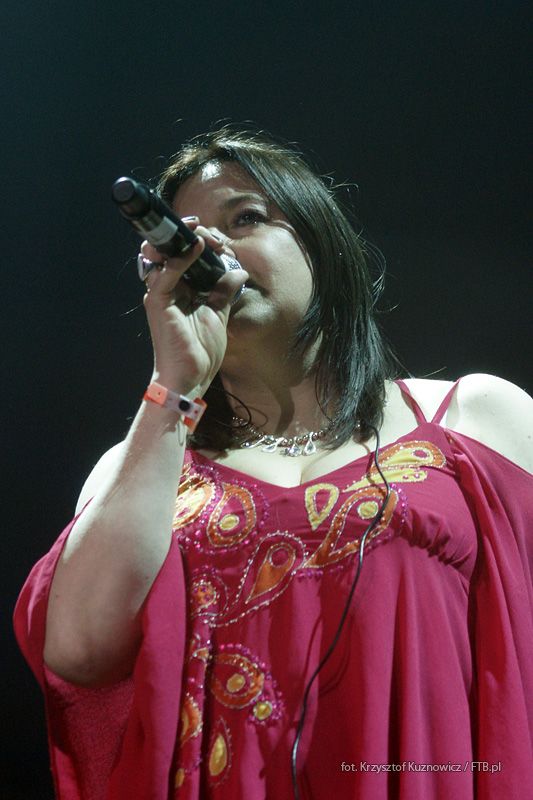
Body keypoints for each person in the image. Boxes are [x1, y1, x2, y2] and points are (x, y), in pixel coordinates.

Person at [14, 127, 533, 800]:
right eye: (187, 237)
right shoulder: (142, 463)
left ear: (321, 242)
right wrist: (174, 385)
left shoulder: (475, 418)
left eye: (244, 218)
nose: (211, 250)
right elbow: (79, 653)